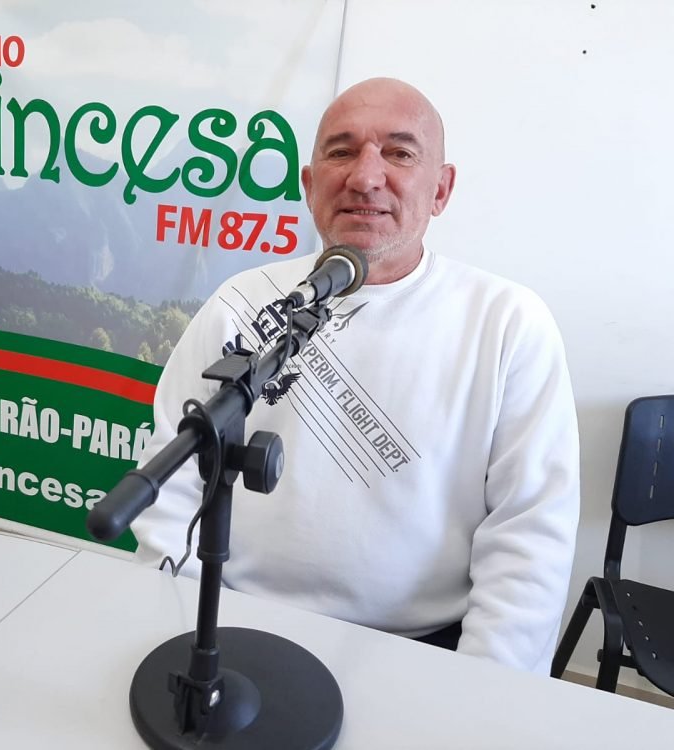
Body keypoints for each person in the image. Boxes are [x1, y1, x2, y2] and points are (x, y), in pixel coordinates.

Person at [130, 77, 580, 675]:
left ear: (441, 189)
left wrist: (478, 693)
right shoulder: (241, 303)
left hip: (423, 652)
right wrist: (179, 625)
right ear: (309, 184)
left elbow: (529, 537)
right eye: (341, 152)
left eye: (399, 153)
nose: (365, 177)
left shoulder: (507, 324)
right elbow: (173, 476)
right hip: (233, 627)